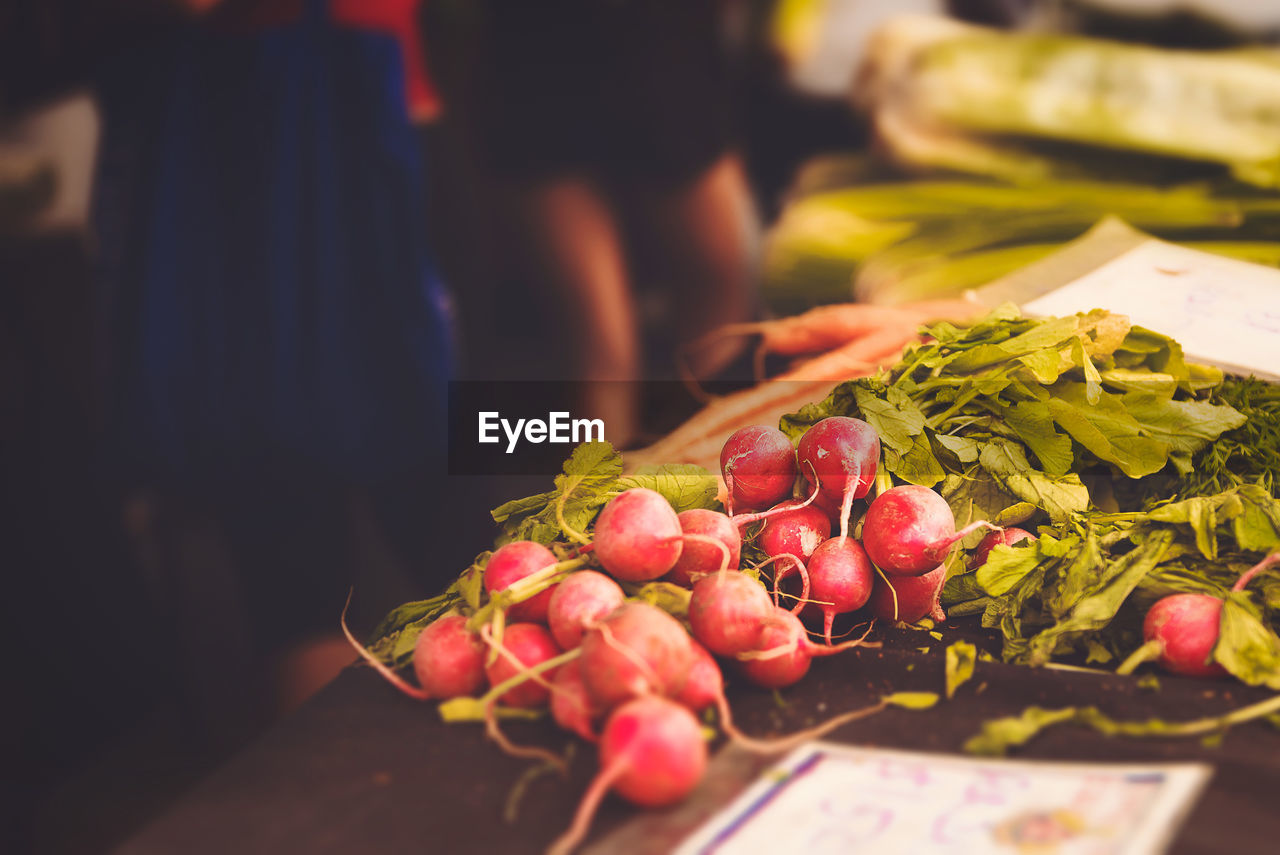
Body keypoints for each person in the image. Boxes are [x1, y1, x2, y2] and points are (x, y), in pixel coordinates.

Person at [432, 0, 761, 446]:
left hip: (527, 54)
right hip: (651, 41)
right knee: (716, 306)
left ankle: (608, 502)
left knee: (601, 349)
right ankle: (700, 471)